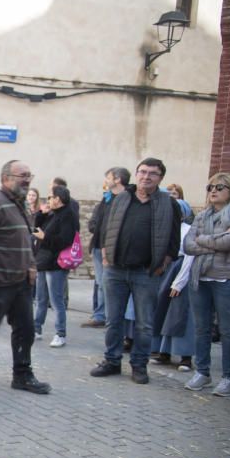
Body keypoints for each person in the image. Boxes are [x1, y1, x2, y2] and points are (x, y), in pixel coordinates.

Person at [91, 157, 181, 385]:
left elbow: (173, 239)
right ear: (136, 174)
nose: (146, 176)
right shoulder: (121, 199)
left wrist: (164, 263)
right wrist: (105, 256)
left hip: (146, 272)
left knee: (144, 323)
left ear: (160, 178)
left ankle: (139, 365)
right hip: (115, 270)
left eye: (152, 173)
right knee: (113, 320)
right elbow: (104, 230)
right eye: (142, 172)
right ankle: (111, 360)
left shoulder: (168, 204)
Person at [0, 160, 51, 394]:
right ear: (6, 178)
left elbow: (25, 242)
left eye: (29, 175)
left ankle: (23, 375)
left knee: (25, 329)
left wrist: (31, 267)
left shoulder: (20, 205)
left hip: (21, 283)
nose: (27, 180)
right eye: (22, 175)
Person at [182, 172, 230, 396]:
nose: (213, 191)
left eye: (219, 187)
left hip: (227, 279)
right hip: (201, 277)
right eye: (210, 187)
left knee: (229, 330)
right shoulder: (201, 215)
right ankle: (203, 372)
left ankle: (228, 378)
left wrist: (205, 240)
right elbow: (188, 245)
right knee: (201, 328)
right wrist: (217, 241)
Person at [83, 167, 130, 328]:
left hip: (110, 249)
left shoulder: (126, 199)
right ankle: (101, 314)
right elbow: (98, 219)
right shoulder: (107, 198)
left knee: (107, 284)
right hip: (98, 246)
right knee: (100, 283)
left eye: (108, 177)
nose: (106, 181)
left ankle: (108, 317)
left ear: (117, 179)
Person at [32, 185, 77, 348]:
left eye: (50, 197)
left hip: (56, 264)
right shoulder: (51, 214)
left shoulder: (68, 216)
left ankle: (60, 334)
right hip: (43, 262)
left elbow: (64, 240)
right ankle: (36, 329)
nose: (48, 200)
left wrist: (45, 237)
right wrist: (40, 214)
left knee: (56, 300)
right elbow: (36, 229)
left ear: (58, 199)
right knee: (40, 299)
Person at [150, 218, 195, 371]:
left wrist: (180, 281)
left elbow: (190, 255)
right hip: (167, 270)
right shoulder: (163, 226)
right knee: (162, 311)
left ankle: (185, 356)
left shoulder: (189, 229)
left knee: (180, 313)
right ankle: (163, 351)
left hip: (182, 271)